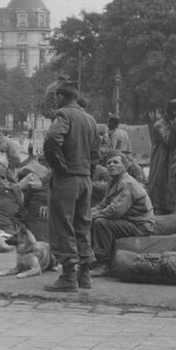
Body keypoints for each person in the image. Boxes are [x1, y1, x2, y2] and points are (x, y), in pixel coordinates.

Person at [42, 80, 100, 292]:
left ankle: (68, 276)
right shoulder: (91, 119)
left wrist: (58, 166)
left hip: (67, 179)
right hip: (85, 178)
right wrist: (88, 173)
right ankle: (85, 275)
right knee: (82, 225)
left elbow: (51, 141)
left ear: (59, 97)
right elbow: (96, 154)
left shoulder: (63, 115)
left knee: (62, 226)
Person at [89, 151, 156, 276]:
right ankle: (92, 260)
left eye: (115, 162)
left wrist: (91, 216)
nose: (111, 165)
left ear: (124, 166)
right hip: (129, 221)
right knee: (93, 219)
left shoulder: (127, 183)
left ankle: (104, 265)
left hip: (141, 226)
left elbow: (115, 211)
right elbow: (103, 205)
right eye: (108, 163)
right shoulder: (115, 182)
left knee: (101, 223)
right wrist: (86, 214)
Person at [149, 99, 176, 214]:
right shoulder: (160, 125)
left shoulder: (175, 123)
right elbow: (168, 141)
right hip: (162, 164)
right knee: (161, 190)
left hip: (174, 163)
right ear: (174, 111)